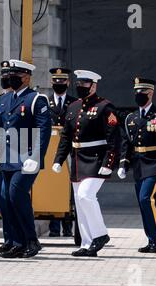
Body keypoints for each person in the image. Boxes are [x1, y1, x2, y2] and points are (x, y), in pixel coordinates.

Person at [52, 70, 119, 257]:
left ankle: (100, 234)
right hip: (77, 159)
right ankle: (87, 242)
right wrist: (58, 159)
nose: (81, 87)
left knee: (85, 196)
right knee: (79, 204)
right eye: (79, 84)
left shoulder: (105, 107)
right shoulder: (73, 107)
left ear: (94, 86)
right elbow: (66, 136)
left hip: (97, 159)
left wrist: (109, 162)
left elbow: (114, 138)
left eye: (85, 84)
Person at [0, 59, 52, 258]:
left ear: (26, 77)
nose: (9, 78)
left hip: (26, 159)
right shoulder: (4, 99)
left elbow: (44, 131)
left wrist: (36, 156)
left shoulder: (36, 99)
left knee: (17, 195)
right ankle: (16, 242)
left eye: (13, 75)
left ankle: (31, 240)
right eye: (7, 75)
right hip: (6, 158)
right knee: (5, 200)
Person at [118, 77, 156, 253]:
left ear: (150, 93)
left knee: (147, 199)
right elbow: (126, 143)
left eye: (142, 92)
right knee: (144, 202)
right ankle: (153, 239)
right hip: (139, 164)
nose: (138, 95)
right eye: (136, 92)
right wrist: (123, 163)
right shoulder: (131, 118)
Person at [47, 67, 78, 237]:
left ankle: (67, 225)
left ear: (68, 82)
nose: (59, 83)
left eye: (62, 81)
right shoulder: (45, 102)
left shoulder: (74, 103)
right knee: (52, 184)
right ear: (51, 82)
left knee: (69, 185)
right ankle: (53, 227)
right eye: (56, 81)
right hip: (51, 149)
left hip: (69, 149)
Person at [0, 61, 15, 254]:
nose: (5, 78)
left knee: (15, 198)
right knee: (2, 201)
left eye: (8, 74)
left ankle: (19, 239)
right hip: (1, 157)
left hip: (18, 155)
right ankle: (8, 239)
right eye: (3, 74)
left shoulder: (25, 99)